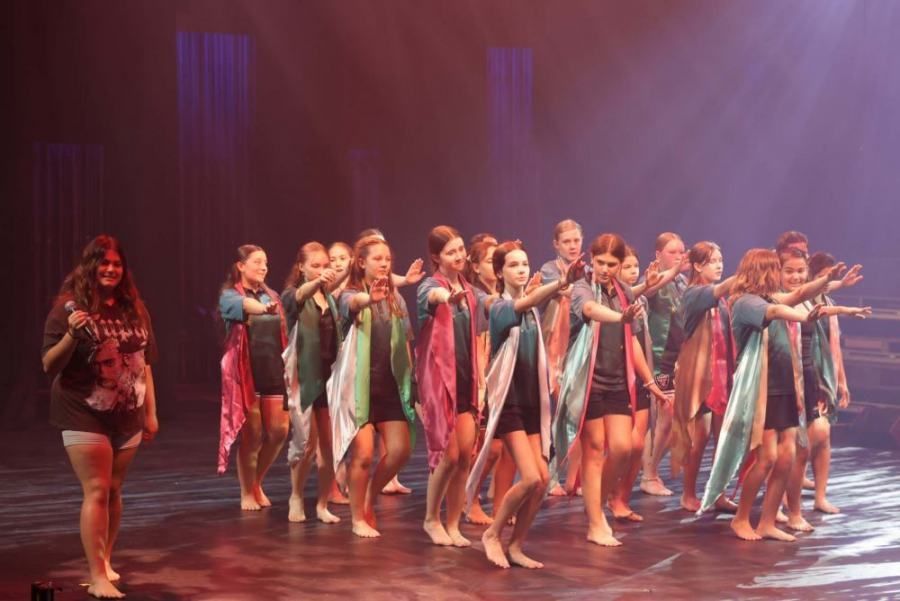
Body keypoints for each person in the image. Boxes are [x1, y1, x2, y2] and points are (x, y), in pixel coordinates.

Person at [42, 235, 159, 599]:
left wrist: (151, 413)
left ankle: (105, 559)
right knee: (96, 489)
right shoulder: (69, 308)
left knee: (113, 489)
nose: (110, 269)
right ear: (90, 267)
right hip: (83, 410)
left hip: (128, 414)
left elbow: (145, 363)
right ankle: (96, 576)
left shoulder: (134, 308)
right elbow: (49, 365)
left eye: (117, 264)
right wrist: (72, 337)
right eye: (103, 263)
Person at [330, 235, 416, 538]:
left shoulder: (396, 298)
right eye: (377, 258)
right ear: (361, 262)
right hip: (359, 388)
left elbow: (406, 342)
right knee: (364, 455)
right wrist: (370, 298)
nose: (384, 263)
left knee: (401, 450)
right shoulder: (349, 293)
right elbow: (352, 304)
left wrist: (412, 384)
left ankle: (368, 496)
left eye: (387, 259)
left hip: (390, 386)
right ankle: (357, 517)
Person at [217, 245, 289, 512]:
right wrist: (262, 309)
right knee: (253, 435)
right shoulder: (229, 296)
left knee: (280, 431)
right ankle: (247, 491)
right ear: (241, 266)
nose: (263, 267)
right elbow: (245, 306)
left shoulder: (274, 296)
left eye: (266, 263)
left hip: (273, 370)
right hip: (246, 374)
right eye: (257, 262)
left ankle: (256, 480)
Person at [281, 242, 343, 523]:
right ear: (301, 267)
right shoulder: (294, 295)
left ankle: (321, 504)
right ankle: (296, 495)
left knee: (330, 446)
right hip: (305, 377)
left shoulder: (328, 297)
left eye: (324, 265)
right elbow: (301, 294)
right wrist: (318, 279)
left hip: (330, 379)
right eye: (315, 265)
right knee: (306, 443)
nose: (321, 270)